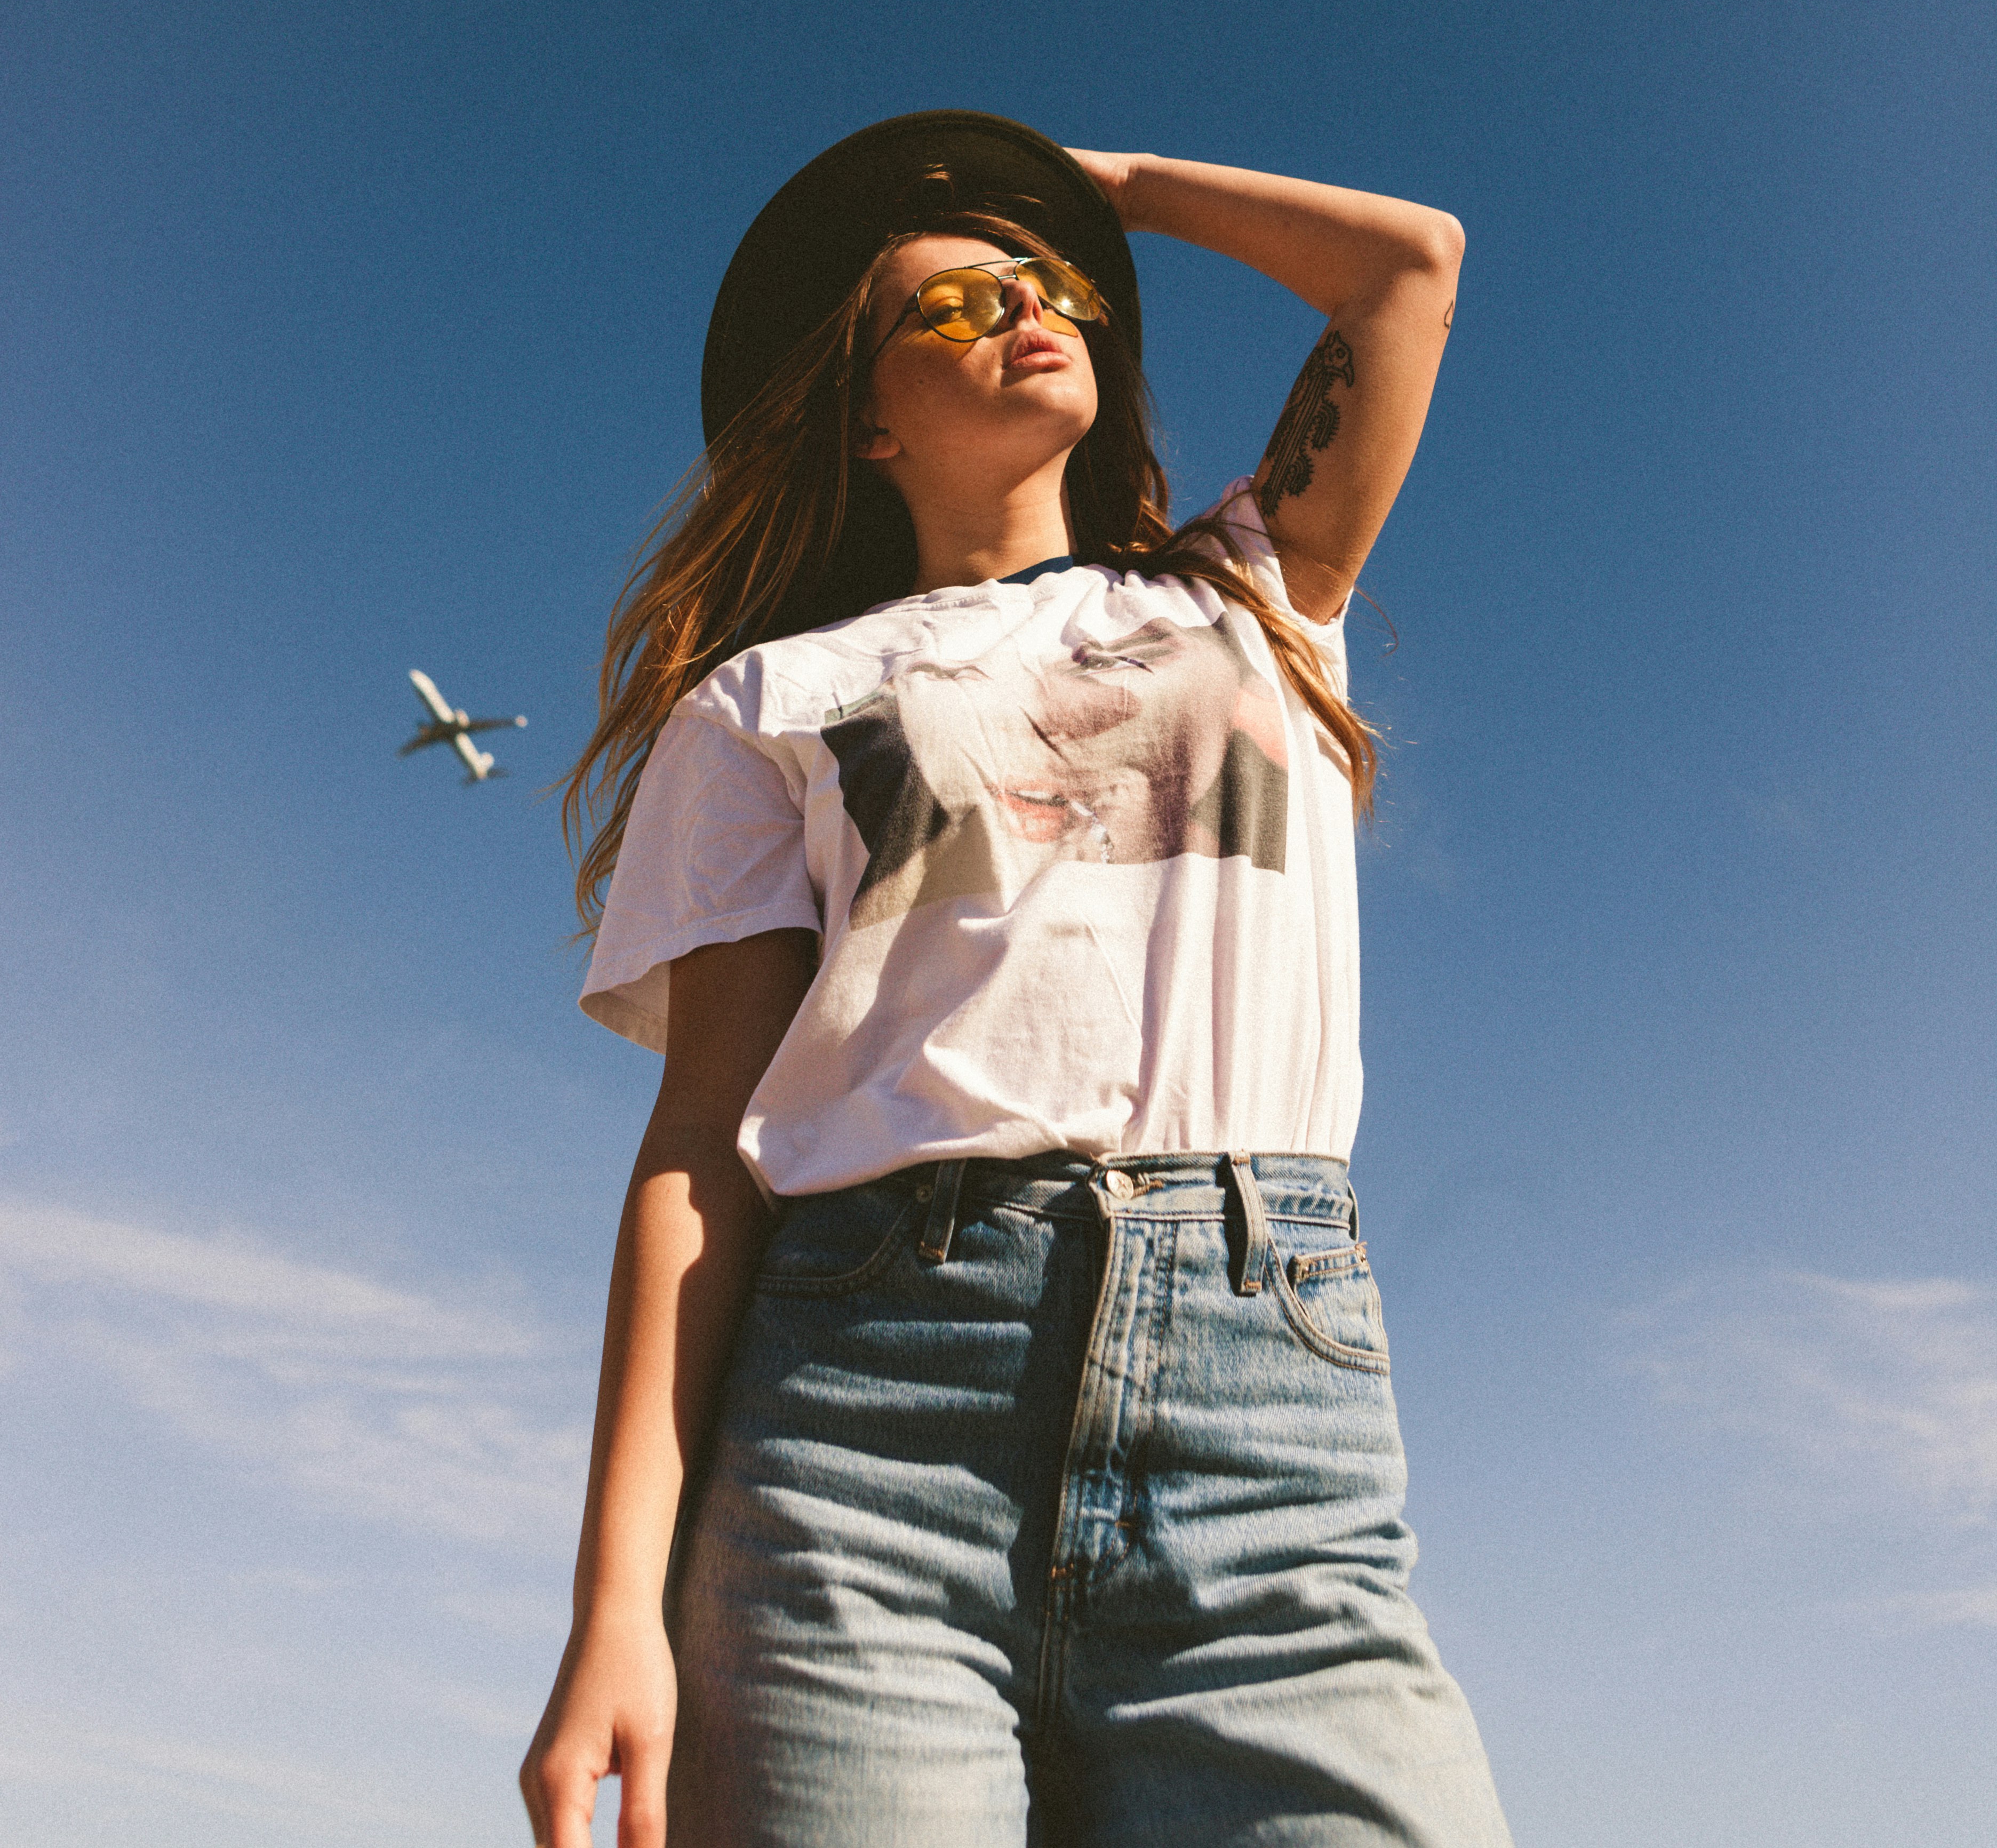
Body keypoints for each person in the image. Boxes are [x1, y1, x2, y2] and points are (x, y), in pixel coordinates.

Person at [521, 112, 1511, 1847]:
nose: (1020, 307)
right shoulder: (768, 702)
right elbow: (697, 1150)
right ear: (868, 418)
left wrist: (1088, 187)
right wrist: (617, 1606)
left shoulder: (1253, 586)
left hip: (1265, 1408)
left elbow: (1406, 263)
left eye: (1041, 284)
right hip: (866, 1424)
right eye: (955, 301)